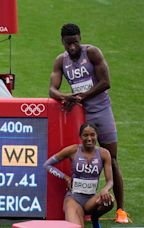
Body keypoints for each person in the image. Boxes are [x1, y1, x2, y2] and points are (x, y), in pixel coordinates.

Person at [49, 23, 129, 223]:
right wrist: (66, 96)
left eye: (76, 42)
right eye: (69, 44)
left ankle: (121, 210)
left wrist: (81, 96)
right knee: (82, 158)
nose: (73, 47)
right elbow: (52, 90)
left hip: (101, 112)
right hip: (81, 116)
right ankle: (83, 201)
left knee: (113, 158)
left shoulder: (92, 53)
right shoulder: (61, 61)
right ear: (63, 43)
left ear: (80, 39)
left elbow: (105, 82)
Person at [44, 123, 113, 228]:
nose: (89, 138)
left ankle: (95, 218)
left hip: (91, 200)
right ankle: (78, 213)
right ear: (80, 136)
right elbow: (47, 165)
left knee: (109, 201)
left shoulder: (104, 154)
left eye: (92, 135)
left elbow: (110, 181)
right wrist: (65, 177)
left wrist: (105, 190)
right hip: (73, 199)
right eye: (85, 135)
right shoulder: (73, 150)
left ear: (97, 135)